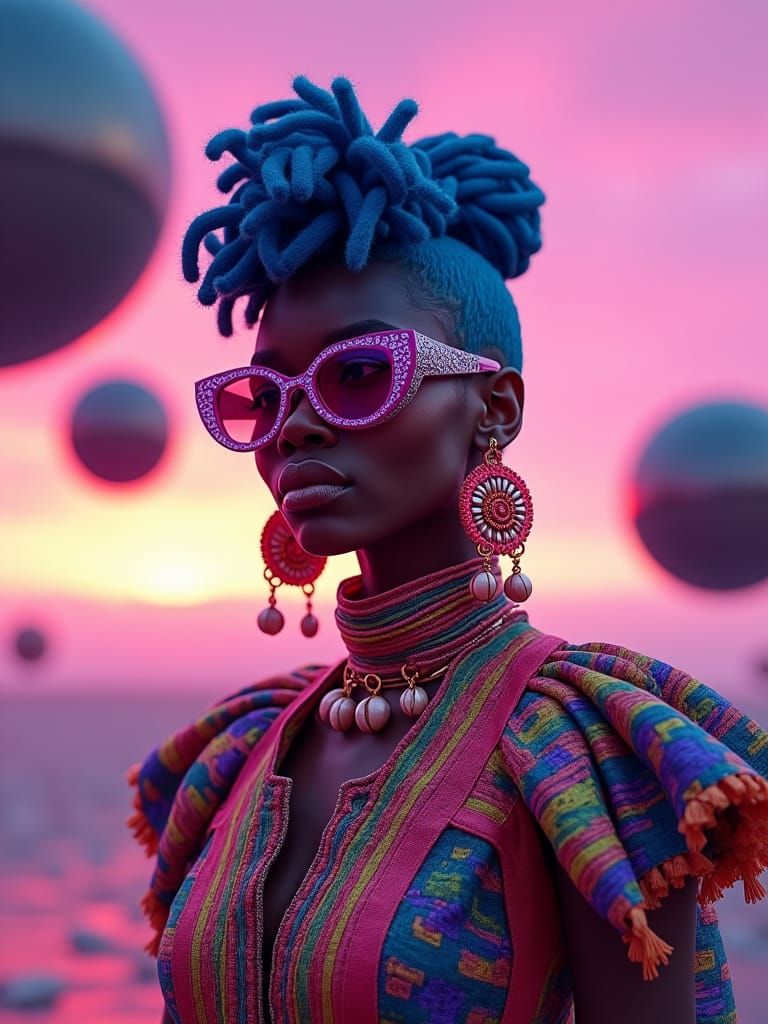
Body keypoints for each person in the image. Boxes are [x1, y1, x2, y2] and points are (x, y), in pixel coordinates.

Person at [126, 75, 768, 1024]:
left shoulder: (576, 751)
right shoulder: (250, 744)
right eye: (265, 396)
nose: (294, 426)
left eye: (358, 373)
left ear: (493, 407)